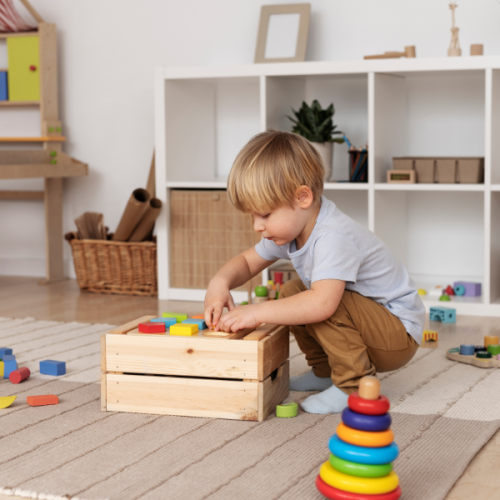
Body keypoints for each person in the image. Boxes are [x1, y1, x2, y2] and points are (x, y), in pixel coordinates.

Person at [204, 130, 425, 414]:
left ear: (303, 197)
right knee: (293, 291)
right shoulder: (295, 227)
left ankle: (354, 386)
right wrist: (219, 283)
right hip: (371, 323)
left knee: (322, 300)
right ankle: (324, 372)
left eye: (265, 215)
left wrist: (256, 312)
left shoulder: (333, 236)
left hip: (397, 336)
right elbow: (247, 263)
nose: (257, 226)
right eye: (252, 216)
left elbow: (323, 304)